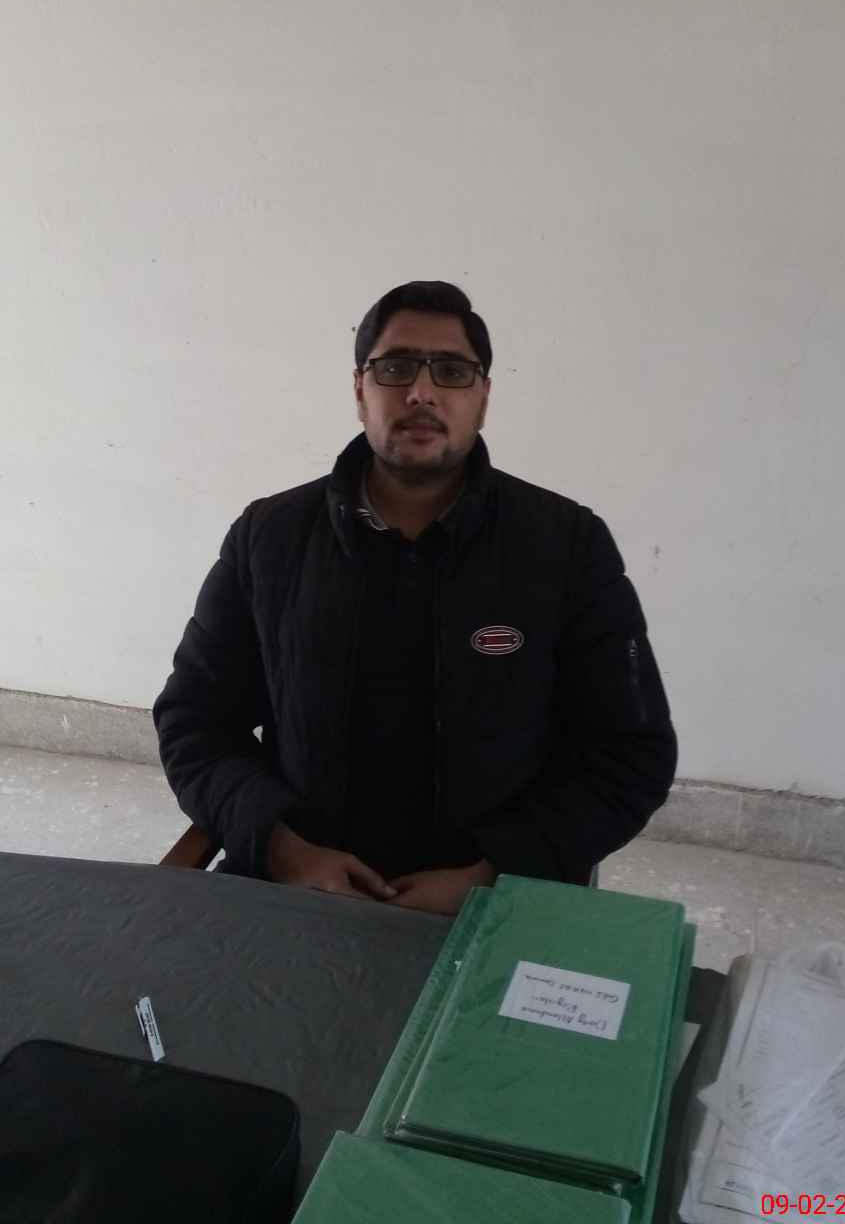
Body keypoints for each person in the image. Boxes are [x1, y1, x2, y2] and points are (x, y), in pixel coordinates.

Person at [153, 280, 677, 915]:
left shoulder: (566, 545)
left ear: (483, 398)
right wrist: (282, 849)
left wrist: (493, 876)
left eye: (452, 371)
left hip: (495, 901)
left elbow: (631, 753)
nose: (421, 392)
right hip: (295, 891)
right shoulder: (268, 538)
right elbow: (194, 721)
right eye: (395, 368)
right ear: (360, 391)